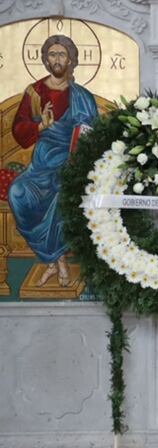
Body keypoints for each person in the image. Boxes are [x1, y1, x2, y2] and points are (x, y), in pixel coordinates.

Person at [9, 35, 98, 288]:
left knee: (64, 193)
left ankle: (56, 263)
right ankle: (55, 261)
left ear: (71, 59)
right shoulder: (34, 92)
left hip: (72, 163)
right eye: (52, 54)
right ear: (45, 59)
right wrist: (40, 125)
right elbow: (19, 131)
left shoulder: (82, 96)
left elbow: (95, 135)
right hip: (40, 165)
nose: (57, 59)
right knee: (17, 192)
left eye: (62, 54)